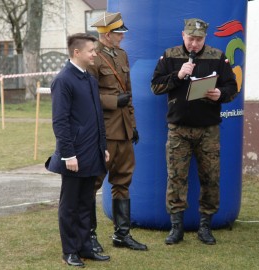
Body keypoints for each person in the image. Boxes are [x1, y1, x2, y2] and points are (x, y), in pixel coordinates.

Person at [150, 18, 238, 245]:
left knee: (210, 177)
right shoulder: (170, 56)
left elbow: (232, 87)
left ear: (205, 39)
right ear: (183, 36)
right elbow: (155, 86)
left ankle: (205, 227)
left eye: (199, 40)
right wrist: (178, 76)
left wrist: (221, 93)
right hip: (178, 129)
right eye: (191, 39)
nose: (194, 44)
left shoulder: (217, 57)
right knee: (176, 177)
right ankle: (176, 227)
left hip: (208, 130)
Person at [45, 33, 110, 267]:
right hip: (73, 154)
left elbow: (98, 118)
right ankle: (69, 251)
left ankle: (85, 247)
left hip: (92, 151)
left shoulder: (90, 79)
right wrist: (68, 154)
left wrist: (102, 147)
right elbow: (60, 121)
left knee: (86, 203)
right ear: (77, 52)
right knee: (70, 204)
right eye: (92, 50)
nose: (95, 54)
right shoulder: (63, 80)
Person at [87, 12, 148, 251]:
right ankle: (89, 237)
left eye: (122, 33)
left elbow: (128, 94)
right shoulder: (94, 58)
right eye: (119, 34)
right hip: (104, 130)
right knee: (92, 183)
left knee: (123, 181)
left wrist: (132, 126)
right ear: (107, 35)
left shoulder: (122, 55)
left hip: (123, 130)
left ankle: (122, 235)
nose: (123, 37)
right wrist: (113, 101)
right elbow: (87, 96)